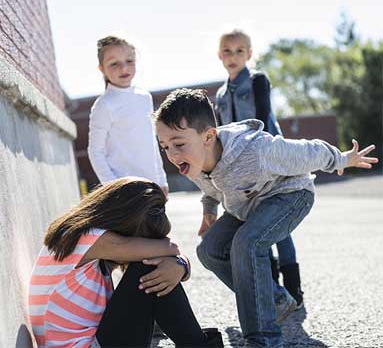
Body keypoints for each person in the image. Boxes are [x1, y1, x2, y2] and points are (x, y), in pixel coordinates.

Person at [153, 88, 378, 348]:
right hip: (247, 205)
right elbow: (211, 189)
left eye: (178, 144)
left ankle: (264, 339)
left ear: (208, 136)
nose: (172, 154)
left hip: (290, 196)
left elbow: (307, 152)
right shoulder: (193, 160)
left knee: (247, 244)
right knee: (209, 250)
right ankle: (275, 299)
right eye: (165, 146)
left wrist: (341, 158)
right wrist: (209, 212)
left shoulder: (255, 150)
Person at [28, 177, 224, 348]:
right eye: (140, 239)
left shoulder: (81, 237)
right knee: (148, 267)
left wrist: (180, 266)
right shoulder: (89, 238)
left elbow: (171, 254)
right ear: (123, 222)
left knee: (153, 266)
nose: (140, 247)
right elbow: (170, 248)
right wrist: (178, 263)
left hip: (92, 341)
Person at [215, 29, 303, 308]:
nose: (233, 56)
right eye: (227, 51)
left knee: (280, 227)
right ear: (219, 55)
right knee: (255, 226)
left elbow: (263, 119)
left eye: (240, 51)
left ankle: (294, 290)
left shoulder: (257, 81)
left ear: (249, 54)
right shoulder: (219, 94)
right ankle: (275, 292)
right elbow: (221, 133)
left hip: (269, 162)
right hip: (240, 170)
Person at [88, 35, 168, 195]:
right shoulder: (104, 105)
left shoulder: (145, 97)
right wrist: (113, 187)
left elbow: (151, 142)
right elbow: (95, 151)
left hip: (152, 185)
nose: (123, 68)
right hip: (125, 190)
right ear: (102, 68)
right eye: (114, 63)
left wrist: (162, 180)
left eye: (129, 61)